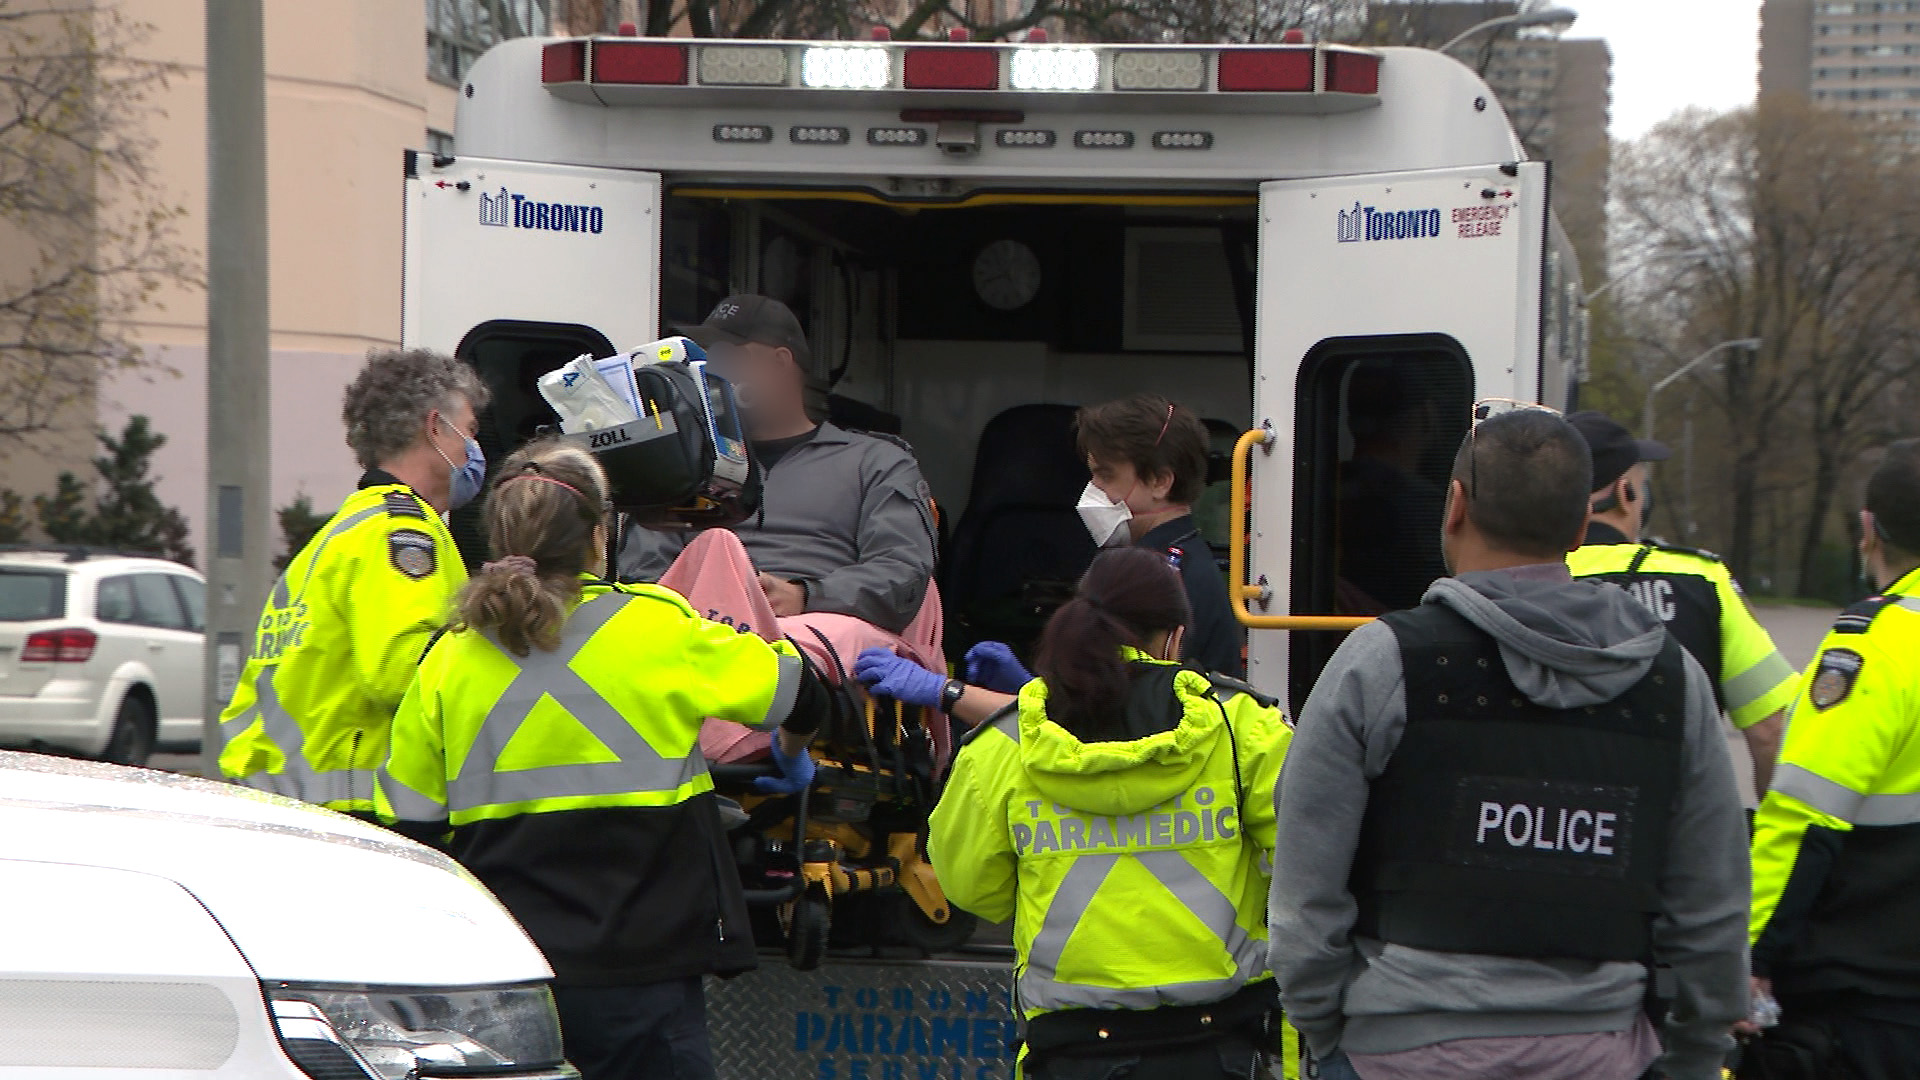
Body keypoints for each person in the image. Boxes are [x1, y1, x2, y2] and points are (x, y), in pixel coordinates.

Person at [1270, 406, 1749, 1080]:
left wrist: (1329, 1037)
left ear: (1456, 504)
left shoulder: (1379, 665)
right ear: (1582, 526)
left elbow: (1303, 896)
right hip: (1604, 1055)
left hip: (1395, 1056)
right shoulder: (1672, 683)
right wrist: (1695, 1056)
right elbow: (1713, 906)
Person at [377, 438, 829, 1080]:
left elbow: (413, 831)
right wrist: (791, 756)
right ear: (598, 536)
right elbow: (802, 691)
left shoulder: (446, 661)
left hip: (511, 977)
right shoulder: (659, 629)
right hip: (643, 977)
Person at [902, 546, 1290, 1080]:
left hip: (1069, 1048)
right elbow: (1310, 861)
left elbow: (971, 888)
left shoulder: (1005, 742)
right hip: (1221, 1043)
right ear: (1175, 636)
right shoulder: (1240, 727)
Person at [218, 348, 489, 815]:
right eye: (469, 431)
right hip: (349, 807)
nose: (474, 449)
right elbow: (401, 672)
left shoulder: (347, 530)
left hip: (289, 802)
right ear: (434, 428)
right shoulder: (402, 532)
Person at [1745, 438, 1920, 1080]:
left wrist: (1751, 957)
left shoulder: (1875, 649)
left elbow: (1803, 821)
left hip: (1872, 1007)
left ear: (1868, 530)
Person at [618, 294, 937, 635]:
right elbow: (645, 572)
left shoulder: (875, 462)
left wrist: (805, 595)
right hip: (699, 633)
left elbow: (901, 571)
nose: (714, 372)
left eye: (728, 357)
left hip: (816, 633)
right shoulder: (690, 463)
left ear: (780, 362)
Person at [1566, 411, 1795, 804]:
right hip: (1677, 839)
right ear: (1626, 494)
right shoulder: (1703, 580)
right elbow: (1770, 732)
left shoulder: (1521, 576)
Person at [1076, 394, 1244, 676]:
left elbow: (1100, 697)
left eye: (1106, 476)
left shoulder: (1145, 577)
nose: (1093, 489)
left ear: (1159, 482)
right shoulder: (1187, 558)